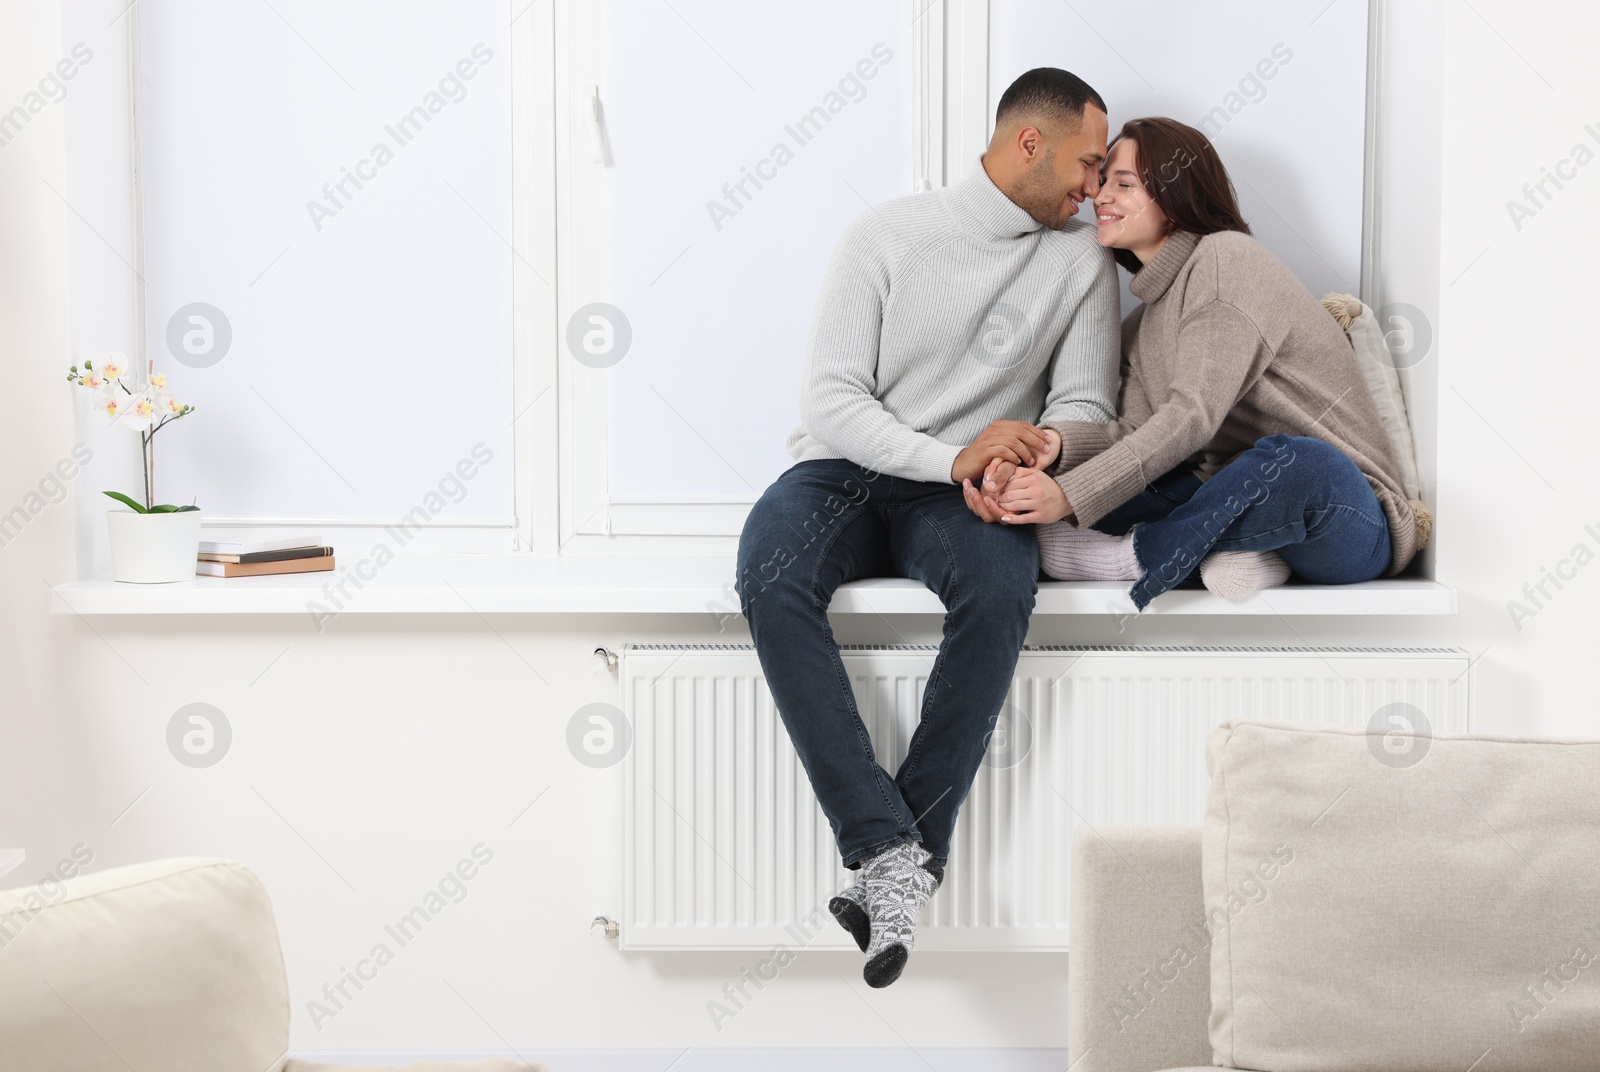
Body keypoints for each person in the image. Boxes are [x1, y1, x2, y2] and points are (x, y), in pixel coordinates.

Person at [735, 69, 1120, 987]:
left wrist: (1021, 454)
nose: (1094, 190)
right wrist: (949, 454)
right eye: (1087, 164)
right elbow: (831, 398)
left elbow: (1089, 406)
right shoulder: (887, 235)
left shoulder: (1080, 262)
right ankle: (889, 849)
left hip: (967, 493)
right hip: (847, 472)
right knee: (767, 570)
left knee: (999, 585)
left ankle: (896, 862)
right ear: (1030, 142)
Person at [965, 117, 1426, 610]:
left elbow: (1191, 417)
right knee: (1092, 500)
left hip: (1348, 515)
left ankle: (1139, 558)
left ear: (1175, 194)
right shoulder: (1144, 321)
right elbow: (1136, 433)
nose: (1100, 196)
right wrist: (1053, 450)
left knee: (1295, 461)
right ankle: (1249, 552)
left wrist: (1072, 496)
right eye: (1103, 182)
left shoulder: (1226, 261)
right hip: (1230, 490)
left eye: (1124, 184)